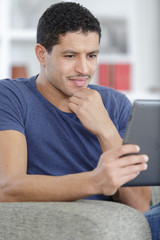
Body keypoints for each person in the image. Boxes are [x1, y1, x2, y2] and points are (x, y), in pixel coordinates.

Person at [0, 1, 151, 213]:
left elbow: (141, 206)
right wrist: (95, 181)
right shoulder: (11, 96)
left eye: (91, 56)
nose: (83, 69)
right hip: (66, 222)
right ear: (42, 54)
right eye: (70, 56)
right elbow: (7, 188)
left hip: (117, 226)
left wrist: (106, 130)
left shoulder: (115, 104)